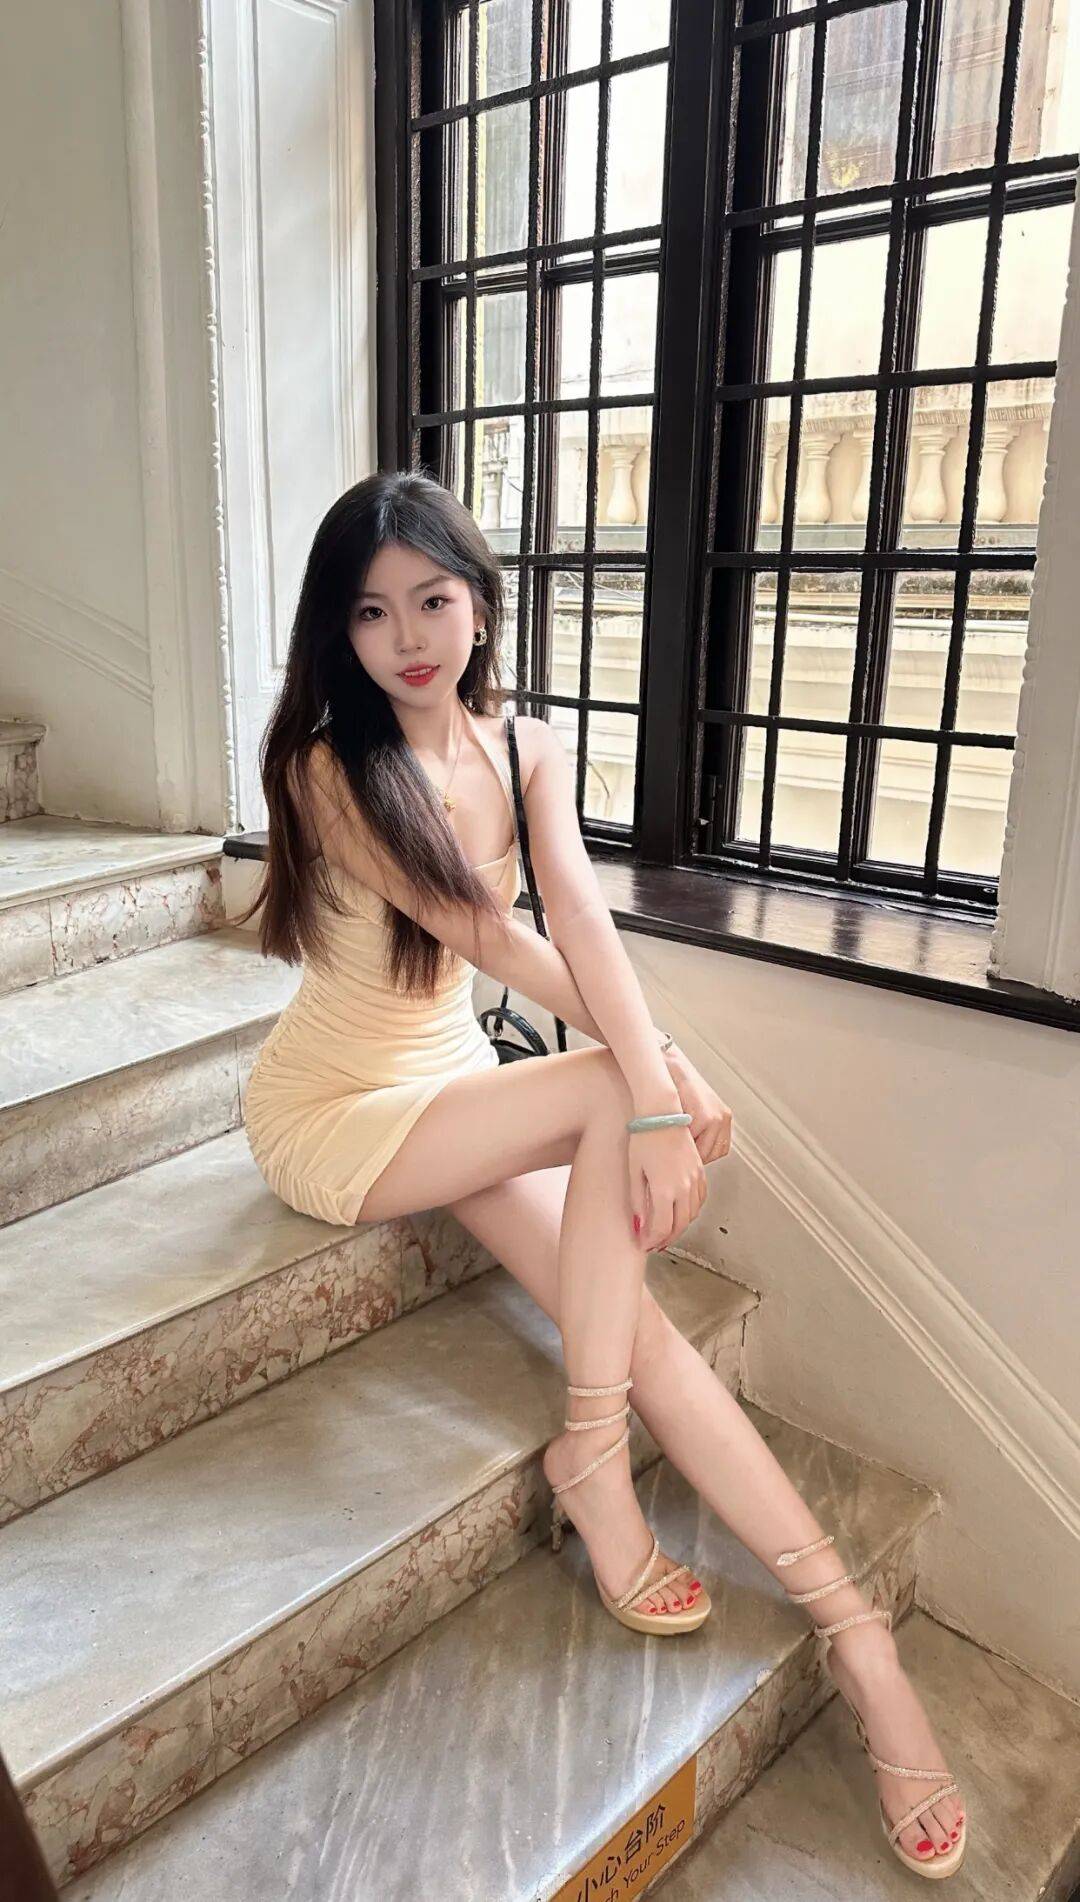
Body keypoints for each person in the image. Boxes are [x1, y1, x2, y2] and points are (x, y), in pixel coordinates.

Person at [238, 469, 966, 1877]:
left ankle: (861, 1645)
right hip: (332, 1110)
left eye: (433, 600)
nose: (409, 638)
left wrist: (657, 1077)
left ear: (481, 599)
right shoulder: (333, 770)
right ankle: (591, 1456)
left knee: (641, 1327)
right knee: (603, 1104)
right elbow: (498, 943)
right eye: (372, 613)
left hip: (453, 1076)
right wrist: (657, 1085)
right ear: (338, 629)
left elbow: (577, 915)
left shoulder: (528, 747)